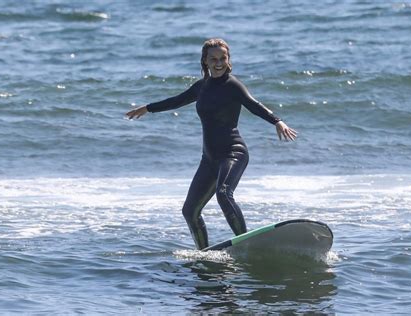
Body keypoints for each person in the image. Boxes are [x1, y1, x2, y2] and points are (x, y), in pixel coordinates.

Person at [126, 38, 297, 249]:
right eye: (213, 59)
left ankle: (245, 243)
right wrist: (148, 108)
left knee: (224, 194)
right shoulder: (201, 86)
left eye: (223, 58)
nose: (218, 63)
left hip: (233, 153)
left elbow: (254, 105)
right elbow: (176, 101)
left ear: (228, 59)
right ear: (205, 61)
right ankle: (203, 252)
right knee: (190, 211)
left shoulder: (233, 85)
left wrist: (277, 121)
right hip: (209, 159)